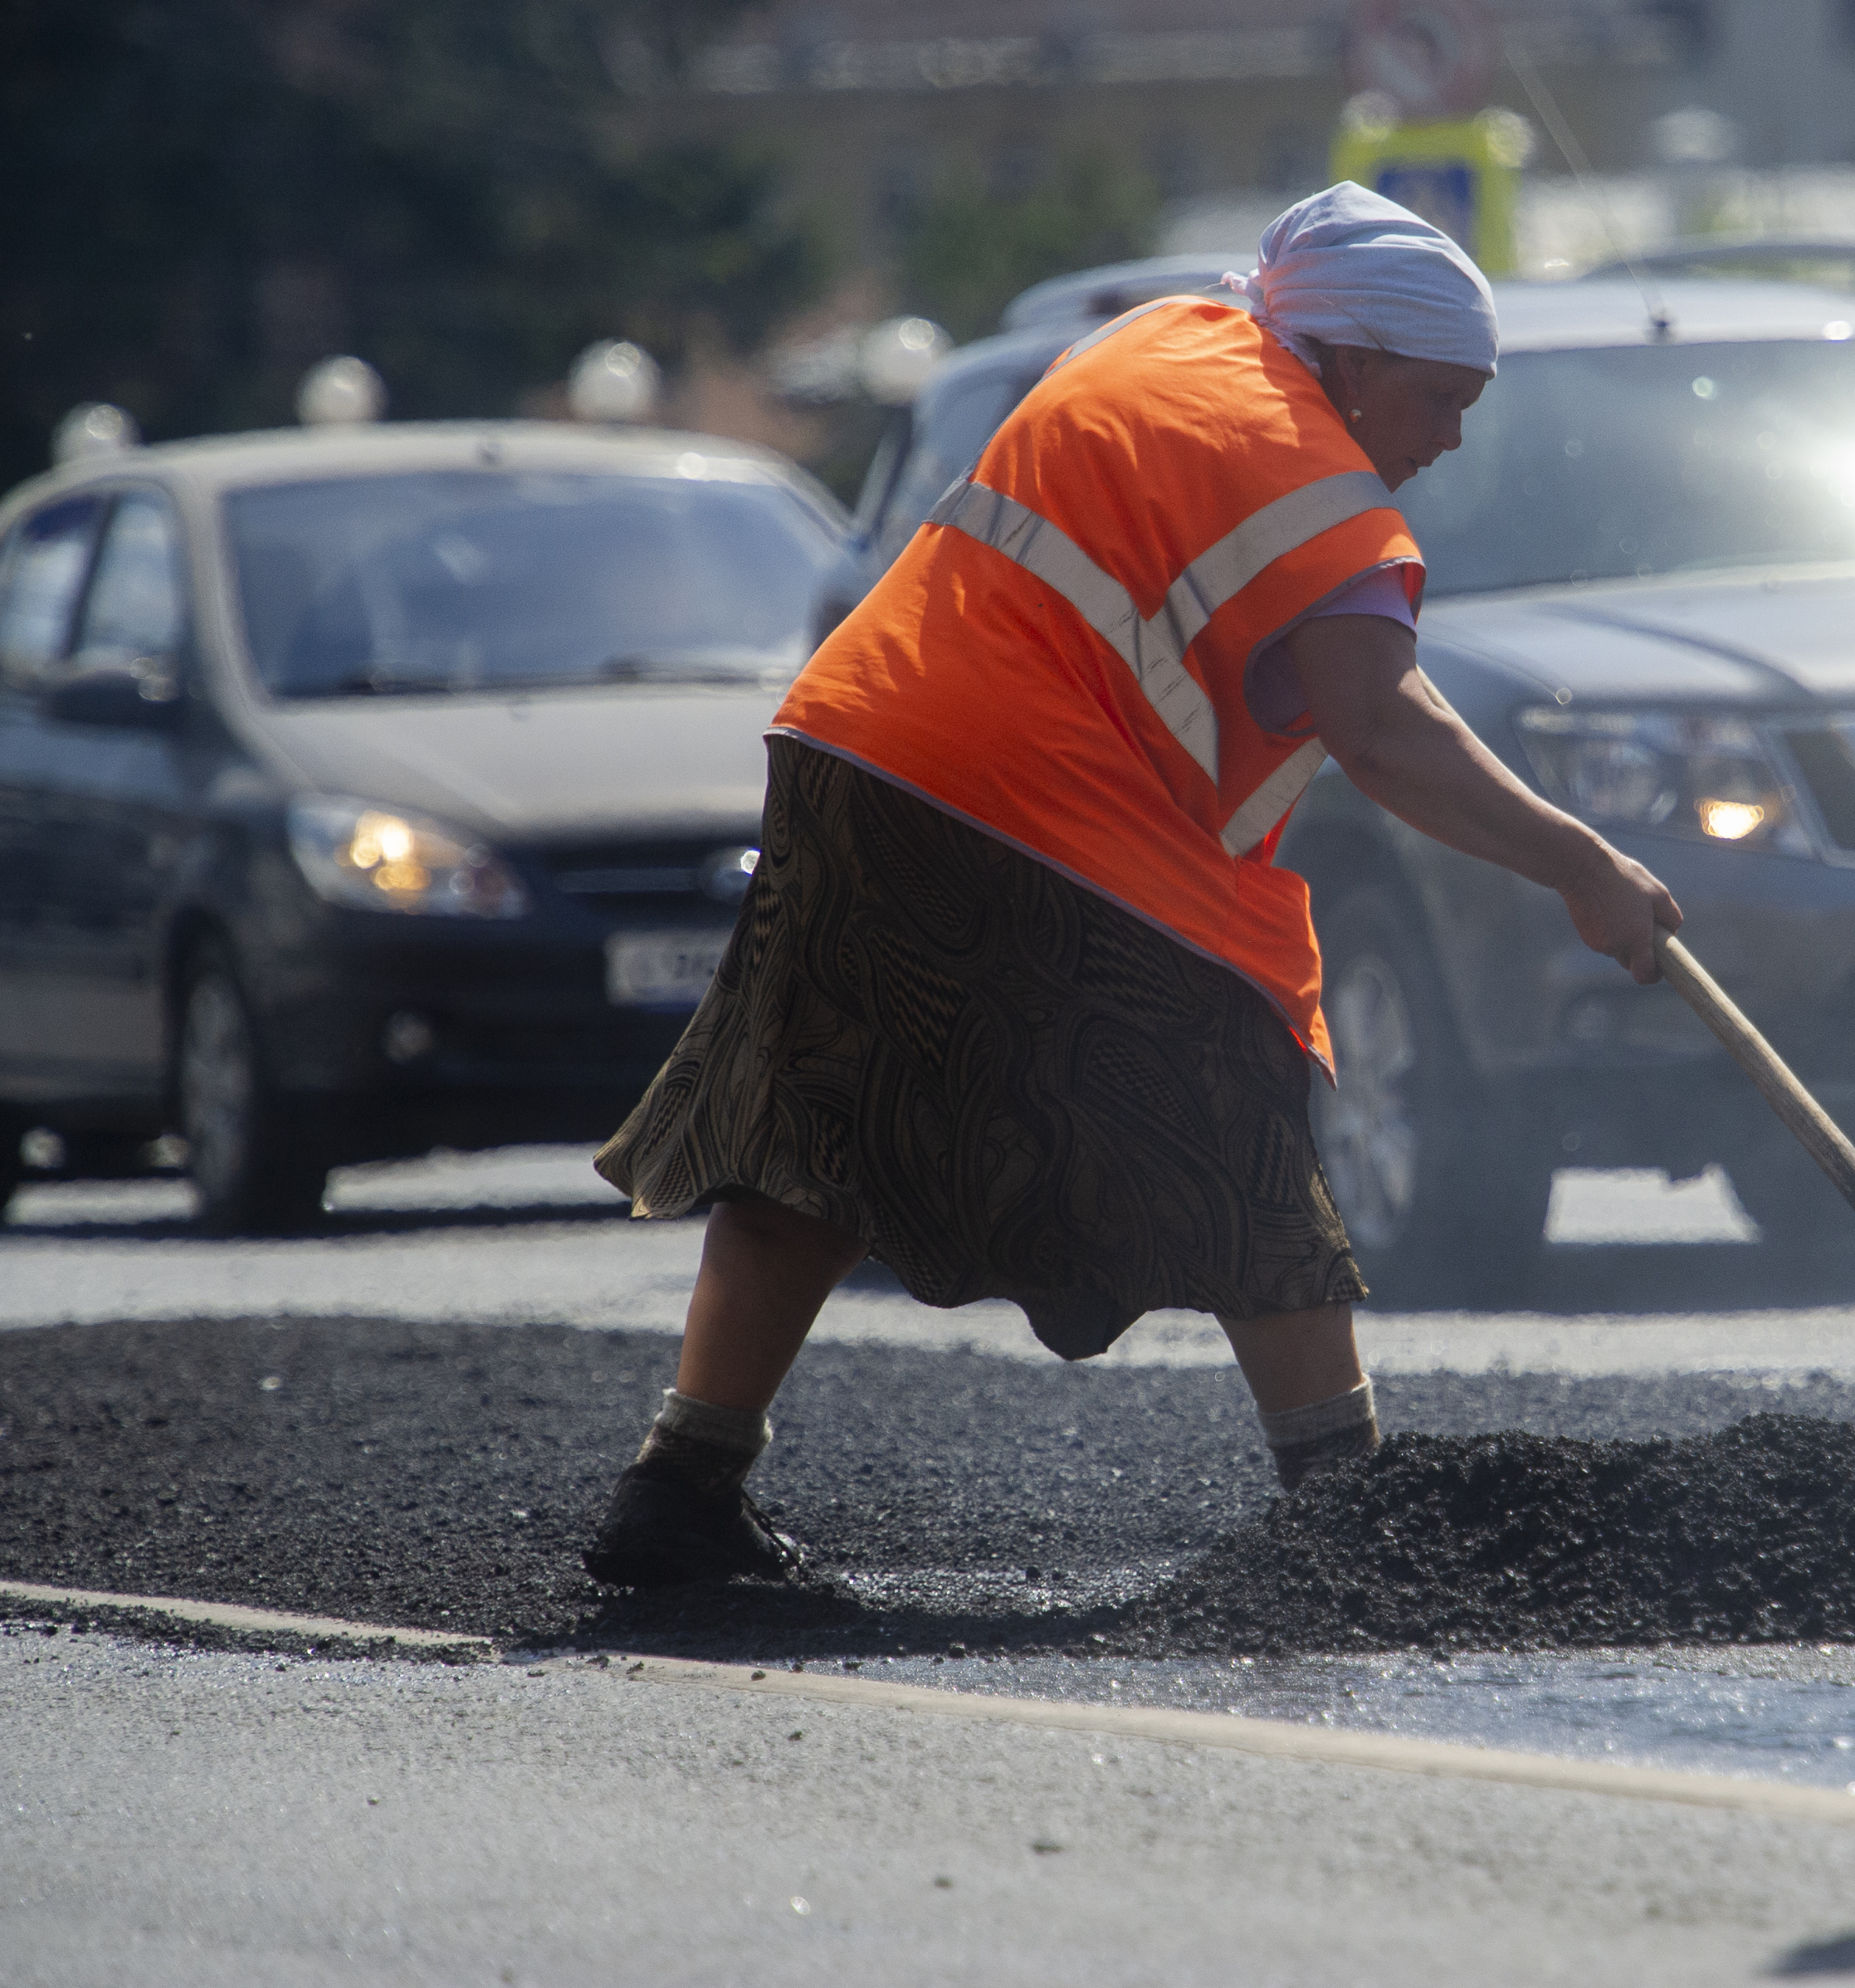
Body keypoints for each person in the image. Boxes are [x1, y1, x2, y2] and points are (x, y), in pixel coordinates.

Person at [579, 184, 1682, 1587]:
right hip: (1045, 816)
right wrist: (1584, 868)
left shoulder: (1166, 340)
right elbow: (1385, 728)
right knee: (1246, 1148)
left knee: (816, 1133)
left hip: (862, 750)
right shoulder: (1309, 477)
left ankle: (679, 1485)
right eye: (1439, 399)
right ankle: (1345, 1513)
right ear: (1346, 359)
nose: (1451, 438)